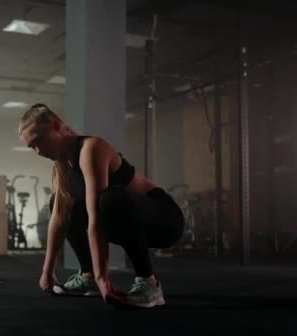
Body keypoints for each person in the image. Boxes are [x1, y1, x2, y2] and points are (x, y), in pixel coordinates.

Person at [18, 103, 185, 308]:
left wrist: (103, 278)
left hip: (164, 219)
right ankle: (87, 276)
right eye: (32, 147)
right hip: (130, 222)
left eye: (39, 141)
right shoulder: (62, 165)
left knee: (109, 198)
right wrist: (47, 272)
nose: (38, 151)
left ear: (56, 125)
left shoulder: (91, 148)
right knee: (60, 203)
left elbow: (95, 218)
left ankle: (149, 283)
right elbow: (59, 217)